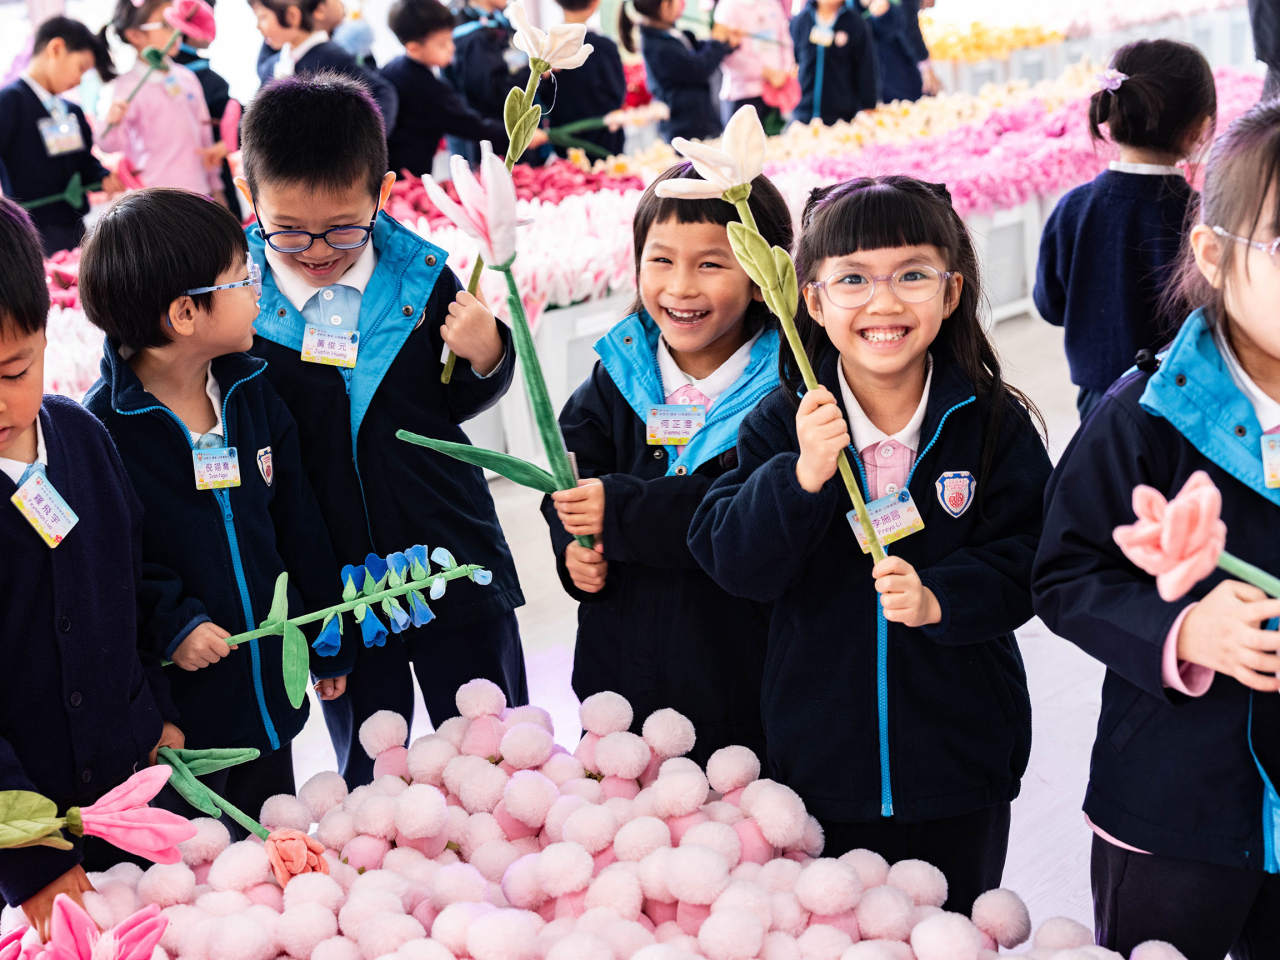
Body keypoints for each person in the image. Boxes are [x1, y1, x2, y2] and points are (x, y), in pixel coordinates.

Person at [689, 175, 1051, 915]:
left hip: (962, 763)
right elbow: (734, 562)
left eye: (912, 275)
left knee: (957, 929)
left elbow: (1037, 562)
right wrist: (801, 477)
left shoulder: (991, 425)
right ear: (812, 301)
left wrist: (938, 598)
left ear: (951, 293)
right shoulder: (781, 423)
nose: (884, 303)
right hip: (822, 767)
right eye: (853, 278)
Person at [1033, 100, 1280, 959]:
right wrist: (1182, 629)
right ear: (1213, 253)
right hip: (1173, 806)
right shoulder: (1143, 417)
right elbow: (1065, 575)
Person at [235, 74, 527, 787]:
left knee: (498, 748)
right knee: (372, 771)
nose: (316, 250)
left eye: (342, 227)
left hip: (448, 553)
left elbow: (450, 402)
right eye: (289, 230)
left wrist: (490, 353)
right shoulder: (238, 304)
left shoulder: (424, 277)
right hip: (340, 585)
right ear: (250, 198)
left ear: (383, 193)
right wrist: (303, 614)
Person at [79, 189, 352, 832]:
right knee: (207, 860)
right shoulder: (104, 432)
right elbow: (112, 567)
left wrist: (325, 638)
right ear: (184, 313)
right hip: (185, 716)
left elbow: (299, 525)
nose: (257, 289)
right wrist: (173, 622)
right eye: (241, 277)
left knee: (273, 835)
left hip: (267, 692)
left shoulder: (253, 392)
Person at [540, 162, 790, 765]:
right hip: (620, 689)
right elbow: (567, 480)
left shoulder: (787, 392)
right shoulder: (618, 374)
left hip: (737, 691)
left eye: (710, 263)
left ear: (762, 275)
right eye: (661, 259)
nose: (680, 287)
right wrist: (574, 549)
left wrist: (619, 510)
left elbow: (746, 510)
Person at [0, 197, 183, 935]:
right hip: (26, 839)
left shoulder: (81, 435)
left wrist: (155, 710)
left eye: (13, 369)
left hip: (126, 797)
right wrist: (30, 855)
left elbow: (130, 582)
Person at [1035, 40, 1217, 420]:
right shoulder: (1201, 217)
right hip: (1187, 400)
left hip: (1098, 403)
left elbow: (1050, 305)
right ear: (1199, 129)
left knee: (1107, 480)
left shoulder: (1073, 208)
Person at [0, 17, 121, 255]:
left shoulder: (72, 111)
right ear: (56, 49)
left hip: (75, 224)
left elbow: (84, 161)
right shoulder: (8, 103)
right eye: (81, 67)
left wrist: (102, 175)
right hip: (30, 232)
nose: (79, 80)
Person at [383, 0, 534, 176]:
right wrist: (517, 135)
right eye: (442, 44)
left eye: (450, 39)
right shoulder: (427, 88)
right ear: (414, 48)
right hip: (403, 174)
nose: (451, 48)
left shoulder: (393, 68)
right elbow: (472, 125)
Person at [96, 0, 224, 203]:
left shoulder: (186, 77)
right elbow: (109, 145)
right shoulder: (125, 88)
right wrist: (112, 121)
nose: (177, 29)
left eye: (176, 20)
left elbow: (204, 135)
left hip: (199, 192)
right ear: (135, 35)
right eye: (166, 24)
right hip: (155, 200)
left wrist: (216, 186)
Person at [252, 0, 399, 134]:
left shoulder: (330, 57)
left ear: (292, 16)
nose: (257, 26)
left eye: (263, 17)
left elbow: (382, 92)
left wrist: (364, 146)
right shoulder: (273, 64)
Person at [619, 0, 737, 142]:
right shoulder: (657, 47)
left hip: (700, 119)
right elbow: (698, 69)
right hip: (684, 127)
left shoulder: (670, 33)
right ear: (664, 5)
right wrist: (717, 42)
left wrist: (726, 43)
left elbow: (699, 50)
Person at [446, 0, 528, 164]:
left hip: (509, 132)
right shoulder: (469, 34)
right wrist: (535, 74)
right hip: (490, 141)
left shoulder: (500, 22)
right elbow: (490, 92)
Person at [545, 0, 626, 159]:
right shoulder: (604, 46)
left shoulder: (546, 45)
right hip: (604, 140)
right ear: (595, 3)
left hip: (562, 141)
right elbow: (617, 94)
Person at [712, 0, 796, 136]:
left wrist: (785, 71)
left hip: (774, 92)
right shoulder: (727, 7)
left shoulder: (772, 4)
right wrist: (767, 73)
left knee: (774, 148)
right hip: (742, 95)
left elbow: (785, 40)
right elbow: (726, 54)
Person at [791, 0, 878, 125]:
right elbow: (792, 60)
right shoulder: (801, 20)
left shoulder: (855, 23)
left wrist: (868, 105)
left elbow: (866, 68)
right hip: (803, 115)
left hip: (842, 118)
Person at [868, 0, 934, 103]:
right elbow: (909, 27)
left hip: (883, 63)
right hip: (897, 66)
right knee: (912, 103)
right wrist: (925, 65)